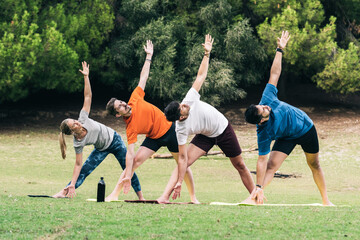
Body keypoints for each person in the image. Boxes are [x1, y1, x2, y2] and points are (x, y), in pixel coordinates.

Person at [157, 34, 255, 203]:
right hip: (205, 137)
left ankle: (256, 196)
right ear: (180, 117)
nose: (184, 105)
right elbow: (182, 158)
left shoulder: (190, 99)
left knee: (239, 165)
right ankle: (164, 196)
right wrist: (180, 181)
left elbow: (201, 76)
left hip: (222, 128)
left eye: (182, 104)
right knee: (184, 163)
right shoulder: (181, 129)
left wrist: (207, 54)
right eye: (182, 107)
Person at [243, 31, 333, 206]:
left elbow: (274, 74)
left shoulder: (267, 98)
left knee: (314, 164)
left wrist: (280, 49)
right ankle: (256, 194)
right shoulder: (263, 132)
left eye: (262, 106)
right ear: (261, 120)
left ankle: (325, 200)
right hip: (286, 137)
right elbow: (261, 160)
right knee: (271, 166)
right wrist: (258, 185)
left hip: (305, 128)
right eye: (263, 110)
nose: (265, 107)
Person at [105, 40, 198, 203]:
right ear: (118, 114)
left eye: (121, 101)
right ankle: (114, 193)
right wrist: (127, 175)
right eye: (120, 106)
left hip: (170, 130)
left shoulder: (134, 98)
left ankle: (193, 197)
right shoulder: (130, 127)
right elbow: (130, 153)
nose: (123, 104)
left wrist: (148, 56)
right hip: (154, 138)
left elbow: (143, 77)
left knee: (183, 164)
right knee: (134, 162)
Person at [52, 61, 143, 200]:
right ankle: (64, 191)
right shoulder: (78, 142)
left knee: (128, 168)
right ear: (72, 132)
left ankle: (141, 197)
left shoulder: (82, 118)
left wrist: (86, 77)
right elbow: (78, 165)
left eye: (74, 120)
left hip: (115, 141)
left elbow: (88, 97)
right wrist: (73, 183)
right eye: (74, 124)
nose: (77, 122)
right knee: (84, 171)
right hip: (101, 149)